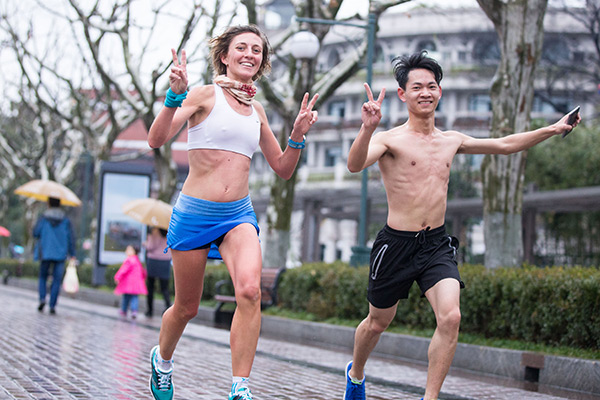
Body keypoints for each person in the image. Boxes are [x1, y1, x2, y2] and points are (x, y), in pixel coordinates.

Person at [343, 51, 581, 400]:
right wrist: (367, 128)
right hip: (395, 245)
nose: (425, 92)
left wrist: (553, 128)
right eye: (417, 87)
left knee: (451, 317)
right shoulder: (389, 139)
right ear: (402, 94)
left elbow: (503, 145)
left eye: (432, 86)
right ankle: (357, 373)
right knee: (377, 322)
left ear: (440, 92)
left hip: (435, 244)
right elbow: (354, 164)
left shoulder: (450, 140)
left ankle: (430, 397)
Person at [146, 24, 318, 400]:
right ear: (224, 56)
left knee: (251, 291)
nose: (250, 54)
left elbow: (283, 168)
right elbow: (156, 139)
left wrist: (298, 134)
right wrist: (174, 96)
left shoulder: (256, 110)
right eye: (242, 47)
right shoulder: (204, 95)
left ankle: (240, 385)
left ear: (261, 62)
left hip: (238, 216)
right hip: (194, 213)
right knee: (186, 307)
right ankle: (162, 359)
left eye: (257, 50)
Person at [33, 197, 76, 314]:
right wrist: (72, 253)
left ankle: (42, 298)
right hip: (60, 254)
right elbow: (71, 238)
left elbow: (35, 233)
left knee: (42, 277)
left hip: (45, 252)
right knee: (56, 280)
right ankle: (52, 305)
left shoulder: (43, 218)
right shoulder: (66, 220)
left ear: (48, 203)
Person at [144, 227, 172, 317]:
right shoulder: (170, 228)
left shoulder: (155, 231)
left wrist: (146, 243)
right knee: (164, 287)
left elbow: (151, 246)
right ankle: (168, 307)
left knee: (150, 287)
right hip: (165, 260)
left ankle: (150, 310)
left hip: (154, 260)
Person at [114, 245, 147, 319]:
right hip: (136, 284)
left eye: (129, 250)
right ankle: (134, 311)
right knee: (134, 297)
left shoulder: (129, 260)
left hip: (128, 283)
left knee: (126, 297)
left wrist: (117, 277)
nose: (127, 251)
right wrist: (143, 278)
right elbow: (142, 271)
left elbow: (123, 270)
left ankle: (124, 310)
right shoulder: (137, 260)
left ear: (134, 252)